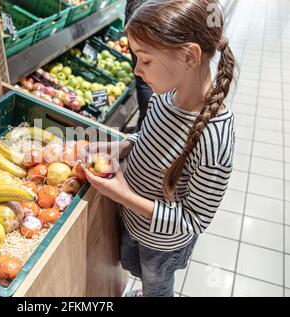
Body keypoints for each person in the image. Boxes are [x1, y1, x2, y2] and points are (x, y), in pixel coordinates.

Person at [83, 0, 236, 297]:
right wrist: (123, 146)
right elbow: (149, 136)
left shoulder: (214, 139)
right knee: (136, 269)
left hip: (162, 244)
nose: (137, 71)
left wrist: (124, 195)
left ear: (189, 56)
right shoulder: (165, 97)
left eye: (146, 60)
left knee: (157, 285)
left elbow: (193, 221)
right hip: (135, 223)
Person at [125, 0, 154, 130]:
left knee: (144, 80)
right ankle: (147, 125)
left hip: (143, 13)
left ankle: (144, 125)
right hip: (146, 14)